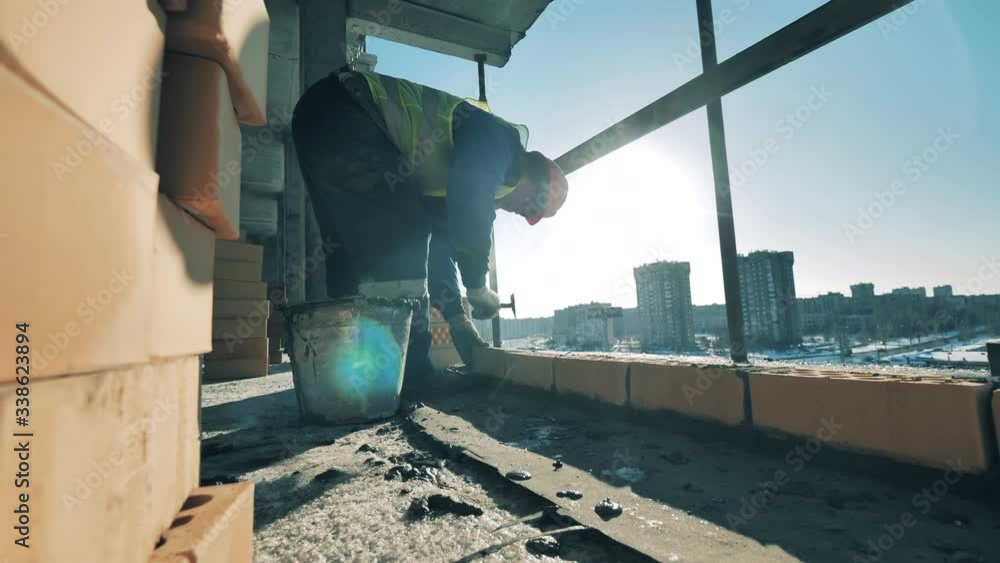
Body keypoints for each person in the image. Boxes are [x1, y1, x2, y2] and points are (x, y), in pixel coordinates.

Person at [291, 67, 568, 379]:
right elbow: (471, 200)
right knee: (404, 235)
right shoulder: (501, 141)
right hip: (349, 112)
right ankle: (411, 376)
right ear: (534, 176)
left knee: (348, 258)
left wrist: (457, 318)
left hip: (320, 116)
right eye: (532, 206)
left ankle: (341, 379)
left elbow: (438, 248)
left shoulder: (445, 176)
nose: (523, 212)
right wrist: (478, 286)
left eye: (530, 215)